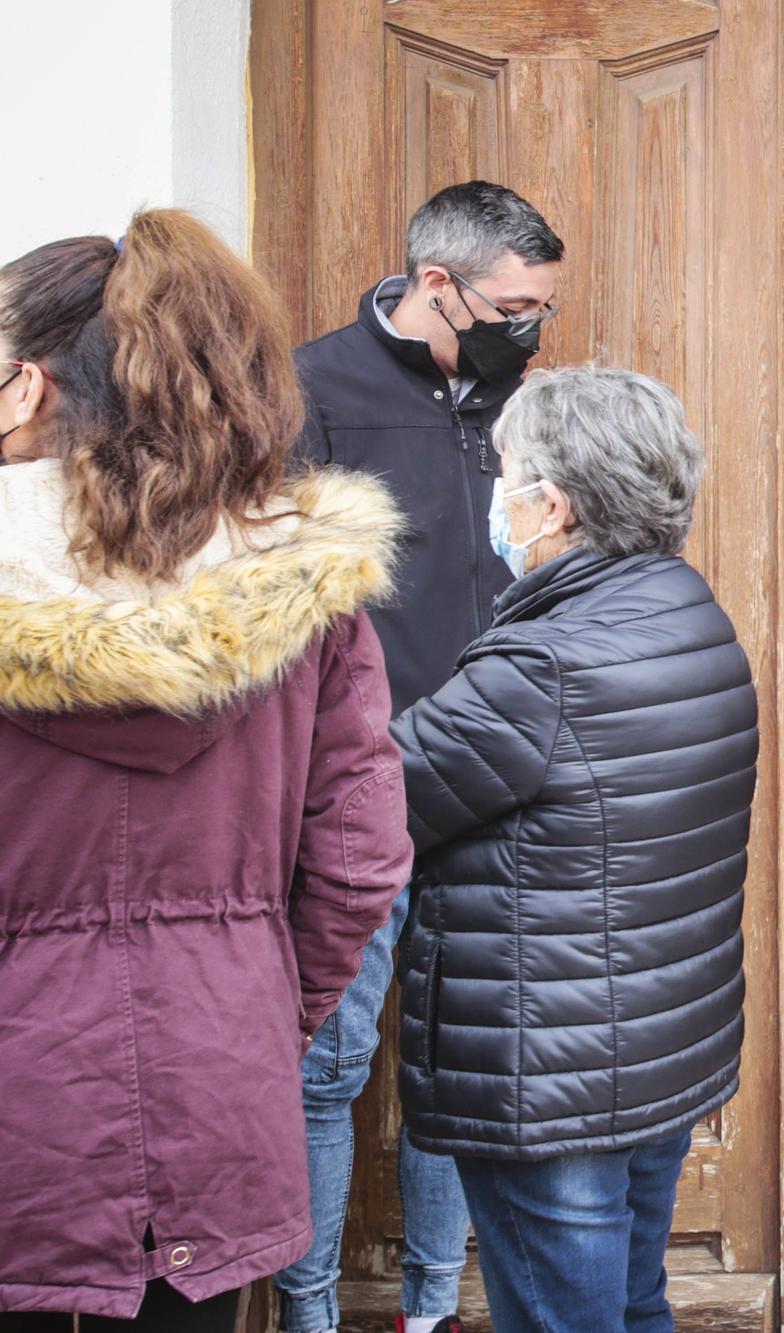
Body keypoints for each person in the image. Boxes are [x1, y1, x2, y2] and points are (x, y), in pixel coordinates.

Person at [0, 211, 409, 1328]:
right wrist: (248, 1010)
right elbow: (363, 863)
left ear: (26, 386)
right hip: (219, 1088)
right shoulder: (302, 586)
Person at [392, 366, 757, 1333]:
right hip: (654, 1046)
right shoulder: (687, 611)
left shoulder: (542, 666)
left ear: (551, 506)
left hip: (549, 1080)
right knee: (634, 1305)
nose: (495, 500)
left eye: (504, 475)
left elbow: (367, 805)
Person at [282, 179, 565, 1333]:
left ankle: (431, 1309)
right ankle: (305, 1315)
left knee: (460, 1078)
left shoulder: (523, 400)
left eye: (542, 305)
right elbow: (286, 599)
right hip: (355, 789)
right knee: (328, 1069)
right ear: (435, 286)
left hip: (490, 784)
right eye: (513, 305)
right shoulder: (311, 389)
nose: (530, 326)